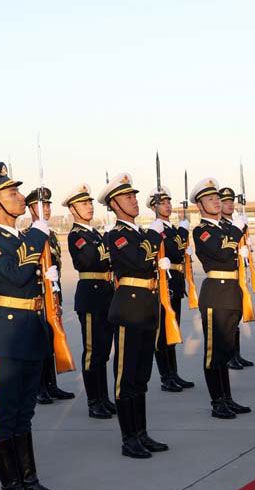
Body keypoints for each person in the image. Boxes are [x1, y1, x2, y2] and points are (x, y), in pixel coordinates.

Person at [0, 161, 67, 490]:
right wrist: (38, 235)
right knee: (2, 416)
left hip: (30, 330)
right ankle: (10, 488)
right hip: (6, 335)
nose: (19, 198)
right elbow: (14, 277)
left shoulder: (20, 237)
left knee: (24, 413)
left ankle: (30, 481)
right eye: (12, 193)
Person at [100, 173, 170, 459]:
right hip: (129, 309)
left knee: (141, 377)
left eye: (134, 196)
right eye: (128, 197)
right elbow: (140, 262)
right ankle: (129, 438)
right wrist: (155, 234)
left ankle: (141, 433)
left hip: (147, 307)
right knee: (126, 378)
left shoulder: (139, 234)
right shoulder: (116, 235)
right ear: (115, 204)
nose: (134, 200)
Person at [191, 178, 253, 420]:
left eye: (217, 198)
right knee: (213, 353)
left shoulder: (225, 228)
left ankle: (227, 398)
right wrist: (238, 230)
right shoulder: (202, 231)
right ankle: (217, 402)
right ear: (200, 205)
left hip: (232, 293)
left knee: (226, 350)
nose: (216, 202)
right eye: (210, 199)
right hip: (215, 293)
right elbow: (223, 251)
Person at [64, 184, 116, 420]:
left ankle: (104, 398)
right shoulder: (77, 235)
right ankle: (93, 401)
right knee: (93, 352)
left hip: (106, 294)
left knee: (104, 352)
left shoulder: (95, 234)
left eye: (90, 203)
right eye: (84, 204)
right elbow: (90, 260)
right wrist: (107, 247)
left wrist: (105, 244)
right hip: (91, 296)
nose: (89, 207)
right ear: (72, 209)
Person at [24, 188, 76, 405]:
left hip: (52, 294)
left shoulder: (51, 235)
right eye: (41, 205)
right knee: (39, 343)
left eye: (48, 205)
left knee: (52, 339)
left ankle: (52, 385)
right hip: (37, 296)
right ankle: (39, 387)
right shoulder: (27, 235)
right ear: (31, 209)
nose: (46, 208)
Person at [148, 187, 195, 392]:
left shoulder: (172, 229)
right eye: (162, 202)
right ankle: (165, 376)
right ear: (153, 207)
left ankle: (174, 373)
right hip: (163, 285)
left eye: (168, 202)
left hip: (175, 281)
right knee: (162, 334)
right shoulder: (156, 229)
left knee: (172, 331)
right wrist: (184, 232)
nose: (167, 205)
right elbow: (175, 250)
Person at [218, 187, 254, 370]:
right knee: (230, 318)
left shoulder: (238, 222)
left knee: (238, 314)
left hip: (241, 271)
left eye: (231, 201)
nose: (229, 204)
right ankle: (230, 355)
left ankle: (237, 354)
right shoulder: (221, 225)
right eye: (225, 201)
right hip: (229, 274)